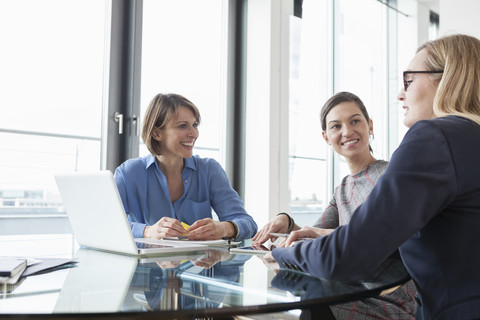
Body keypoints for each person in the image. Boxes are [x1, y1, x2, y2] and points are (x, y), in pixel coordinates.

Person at [268, 34, 480, 319]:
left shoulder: (434, 138)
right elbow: (323, 231)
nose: (400, 95)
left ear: (446, 80)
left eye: (409, 81)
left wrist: (283, 254)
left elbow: (347, 254)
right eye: (335, 126)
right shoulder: (468, 139)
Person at [254, 91, 417, 318]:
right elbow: (313, 235)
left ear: (370, 126)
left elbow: (380, 239)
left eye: (355, 121)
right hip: (347, 288)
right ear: (326, 137)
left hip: (386, 295)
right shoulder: (342, 188)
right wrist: (287, 221)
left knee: (313, 296)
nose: (347, 132)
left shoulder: (390, 175)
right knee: (309, 292)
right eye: (336, 126)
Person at [114, 93, 257, 241]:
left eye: (194, 125)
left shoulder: (209, 170)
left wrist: (224, 228)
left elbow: (248, 224)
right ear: (157, 133)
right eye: (182, 126)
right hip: (146, 263)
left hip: (201, 263)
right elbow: (104, 224)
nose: (194, 134)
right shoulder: (128, 173)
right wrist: (146, 231)